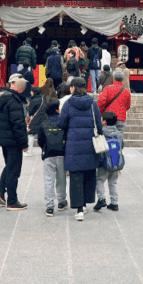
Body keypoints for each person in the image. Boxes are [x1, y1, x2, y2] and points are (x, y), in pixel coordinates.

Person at [58, 77, 104, 221]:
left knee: (76, 175)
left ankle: (79, 210)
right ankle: (84, 204)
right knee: (89, 174)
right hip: (90, 144)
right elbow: (99, 126)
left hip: (73, 144)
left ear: (73, 88)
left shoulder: (68, 104)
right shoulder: (92, 104)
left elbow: (61, 123)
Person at [0, 74, 30, 210]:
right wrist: (24, 143)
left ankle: (1, 190)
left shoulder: (4, 98)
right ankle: (12, 201)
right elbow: (18, 124)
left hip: (5, 138)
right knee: (13, 171)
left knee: (9, 167)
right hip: (14, 140)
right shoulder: (14, 100)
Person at [37, 98, 68, 216]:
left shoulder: (43, 123)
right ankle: (61, 201)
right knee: (61, 179)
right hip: (62, 154)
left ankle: (49, 206)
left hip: (48, 155)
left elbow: (40, 141)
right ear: (57, 109)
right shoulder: (63, 122)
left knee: (49, 180)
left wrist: (45, 148)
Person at [93, 110, 122, 212]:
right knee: (113, 182)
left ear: (104, 122)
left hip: (104, 162)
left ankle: (101, 198)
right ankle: (114, 203)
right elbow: (121, 146)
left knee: (99, 180)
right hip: (116, 161)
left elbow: (98, 148)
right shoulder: (119, 134)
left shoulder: (101, 133)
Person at [97, 69, 131, 137]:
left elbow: (101, 101)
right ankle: (119, 147)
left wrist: (101, 112)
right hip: (121, 117)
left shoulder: (107, 88)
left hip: (108, 117)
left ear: (113, 78)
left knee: (107, 137)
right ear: (122, 79)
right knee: (119, 137)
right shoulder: (126, 91)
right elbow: (128, 106)